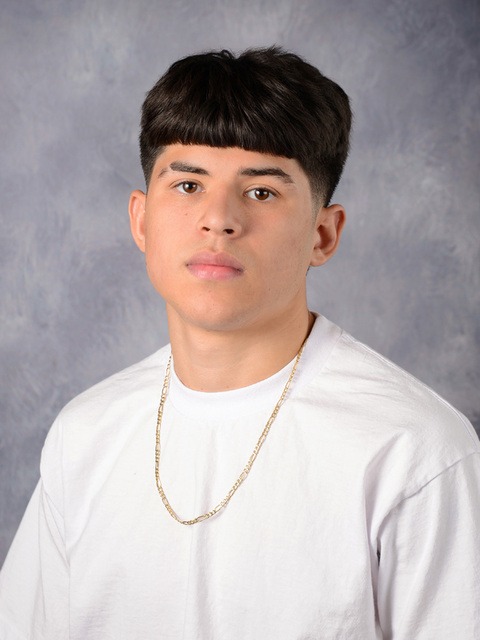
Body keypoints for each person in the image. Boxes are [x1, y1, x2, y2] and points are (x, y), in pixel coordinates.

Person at [0, 46, 479, 640]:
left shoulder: (415, 451)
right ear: (142, 221)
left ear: (323, 235)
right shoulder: (84, 435)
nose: (219, 219)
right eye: (188, 184)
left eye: (261, 193)